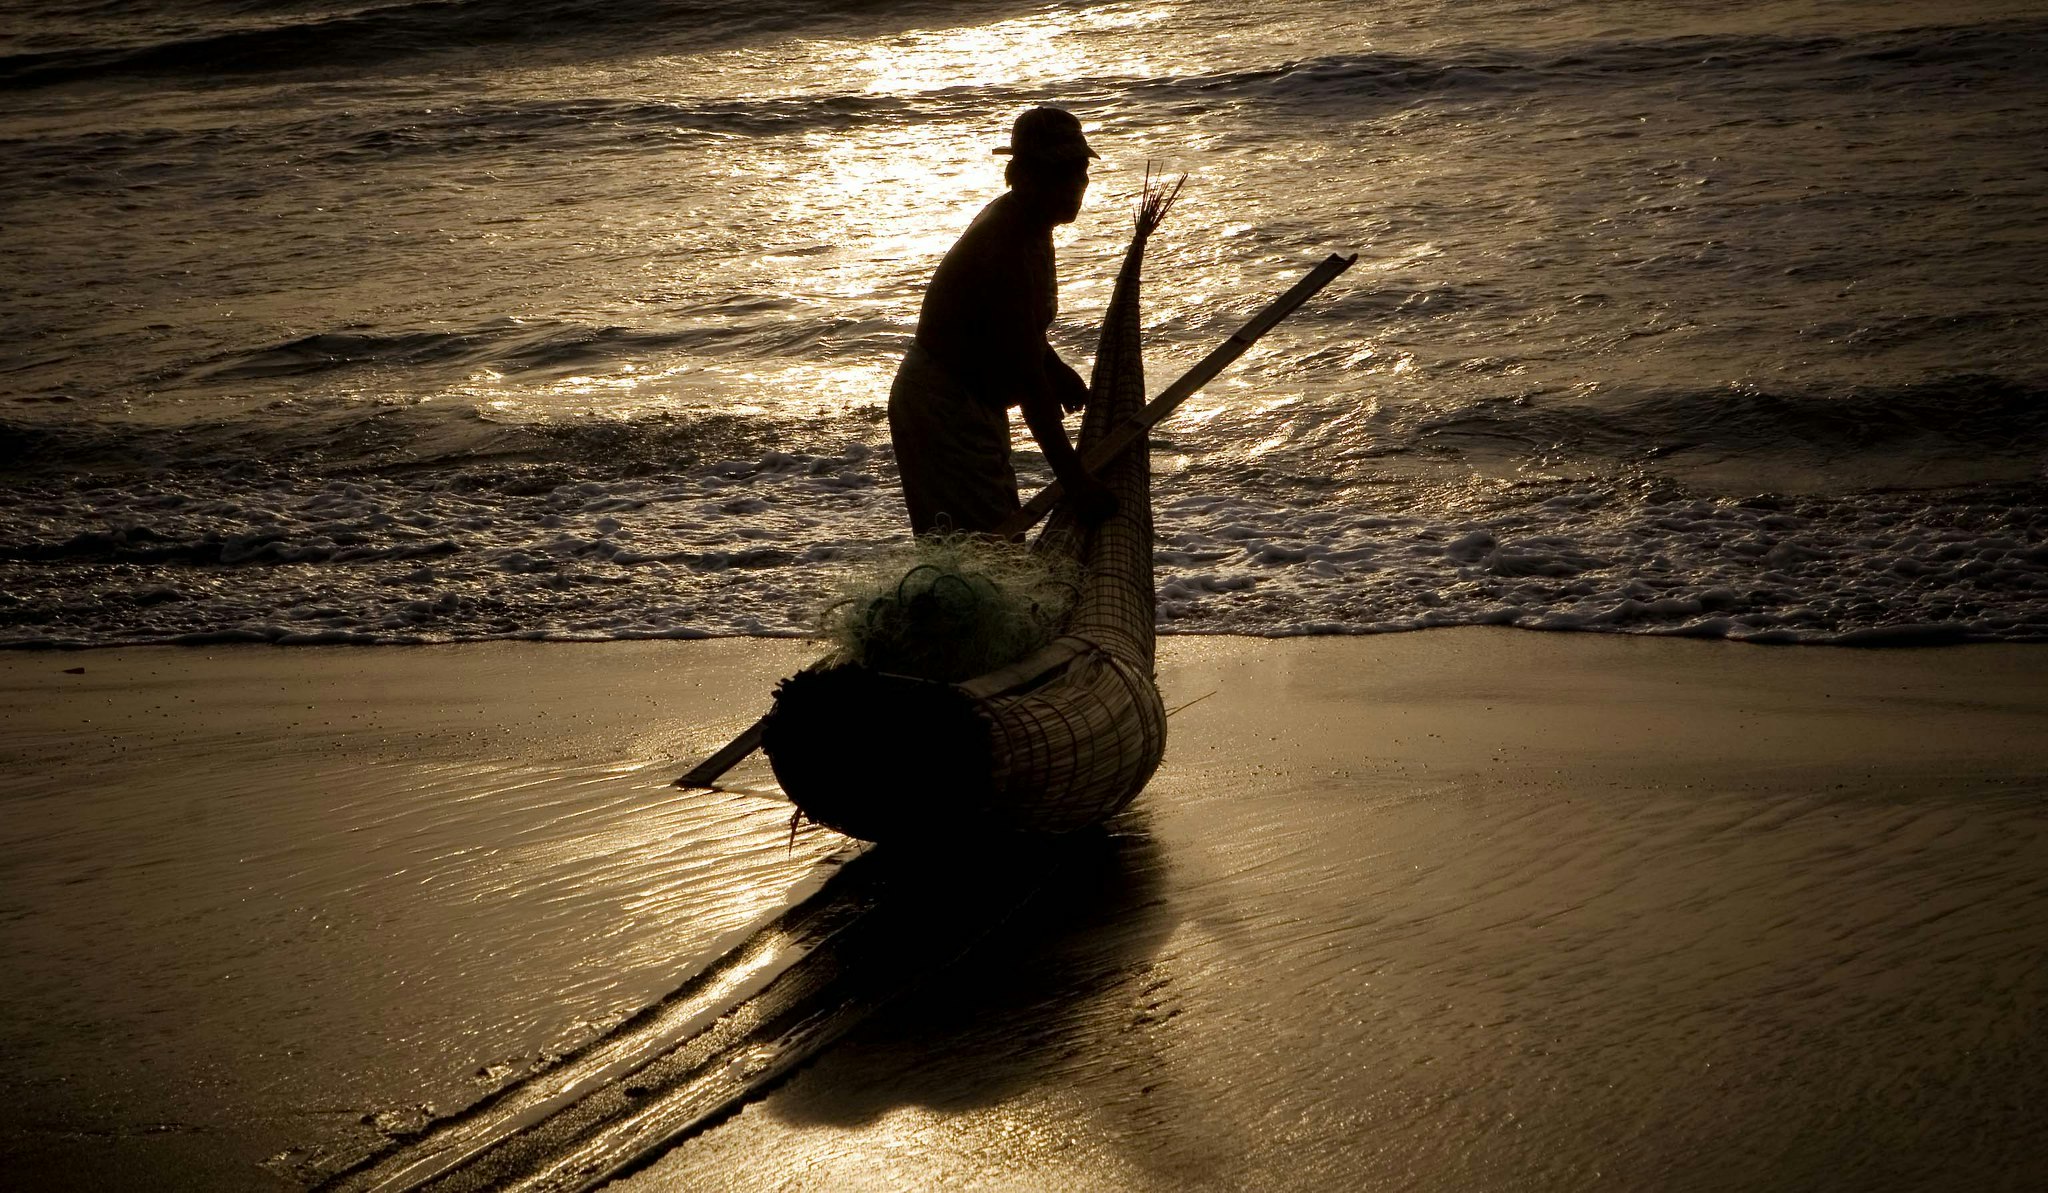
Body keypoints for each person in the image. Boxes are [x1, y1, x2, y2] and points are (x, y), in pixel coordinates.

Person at [888, 106, 1119, 538]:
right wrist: (1075, 482)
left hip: (971, 401)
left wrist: (1056, 368)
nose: (1076, 184)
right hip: (942, 406)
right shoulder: (1005, 246)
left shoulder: (1032, 224)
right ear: (1024, 177)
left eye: (1081, 169)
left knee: (986, 543)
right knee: (983, 546)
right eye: (1060, 171)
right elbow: (1027, 377)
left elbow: (1017, 332)